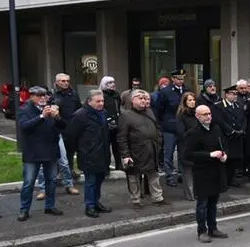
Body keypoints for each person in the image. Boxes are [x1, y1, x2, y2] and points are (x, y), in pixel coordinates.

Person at [17, 87, 66, 221]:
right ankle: (24, 209)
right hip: (33, 153)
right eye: (39, 96)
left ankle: (50, 206)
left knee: (51, 181)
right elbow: (24, 126)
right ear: (31, 97)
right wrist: (41, 117)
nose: (43, 98)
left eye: (45, 95)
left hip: (50, 151)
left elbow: (63, 126)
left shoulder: (52, 109)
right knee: (29, 182)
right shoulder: (24, 110)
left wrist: (57, 117)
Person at [184, 104, 230, 243]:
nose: (208, 116)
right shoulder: (193, 132)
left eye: (209, 113)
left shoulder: (216, 128)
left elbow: (223, 144)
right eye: (205, 114)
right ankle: (202, 231)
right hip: (202, 172)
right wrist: (209, 154)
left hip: (216, 170)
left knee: (213, 203)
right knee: (202, 204)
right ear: (197, 116)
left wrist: (224, 155)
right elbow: (188, 154)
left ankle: (213, 227)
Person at [64, 89, 112, 218]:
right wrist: (80, 150)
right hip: (88, 155)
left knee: (100, 180)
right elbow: (71, 136)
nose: (101, 103)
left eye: (102, 101)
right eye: (98, 101)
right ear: (89, 101)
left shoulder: (103, 113)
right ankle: (89, 206)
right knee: (91, 181)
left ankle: (96, 202)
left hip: (102, 153)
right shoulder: (80, 115)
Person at [117, 89, 167, 209]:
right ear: (132, 100)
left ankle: (158, 198)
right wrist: (126, 155)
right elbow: (121, 137)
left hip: (152, 149)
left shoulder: (150, 112)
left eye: (145, 98)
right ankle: (136, 201)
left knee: (154, 176)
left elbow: (157, 128)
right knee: (134, 178)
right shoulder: (126, 115)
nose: (144, 100)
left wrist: (158, 143)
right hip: (135, 151)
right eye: (140, 98)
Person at [154, 69, 189, 187]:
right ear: (173, 79)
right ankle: (169, 176)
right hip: (169, 127)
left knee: (182, 152)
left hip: (183, 126)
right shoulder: (165, 92)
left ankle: (181, 174)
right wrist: (162, 123)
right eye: (178, 78)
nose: (181, 81)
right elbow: (159, 109)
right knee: (168, 153)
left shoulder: (186, 90)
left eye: (182, 78)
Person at [215, 85, 247, 187]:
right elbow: (220, 121)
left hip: (237, 136)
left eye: (236, 94)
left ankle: (232, 179)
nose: (235, 96)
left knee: (235, 160)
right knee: (226, 160)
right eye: (232, 94)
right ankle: (224, 181)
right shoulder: (219, 105)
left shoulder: (238, 105)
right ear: (226, 94)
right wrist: (231, 131)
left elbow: (243, 119)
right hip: (226, 136)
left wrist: (241, 130)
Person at [176, 92, 199, 201]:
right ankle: (190, 194)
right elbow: (181, 133)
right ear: (184, 102)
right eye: (189, 100)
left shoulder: (197, 113)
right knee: (187, 172)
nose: (192, 102)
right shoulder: (181, 115)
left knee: (196, 171)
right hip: (186, 147)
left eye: (193, 99)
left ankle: (196, 192)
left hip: (198, 146)